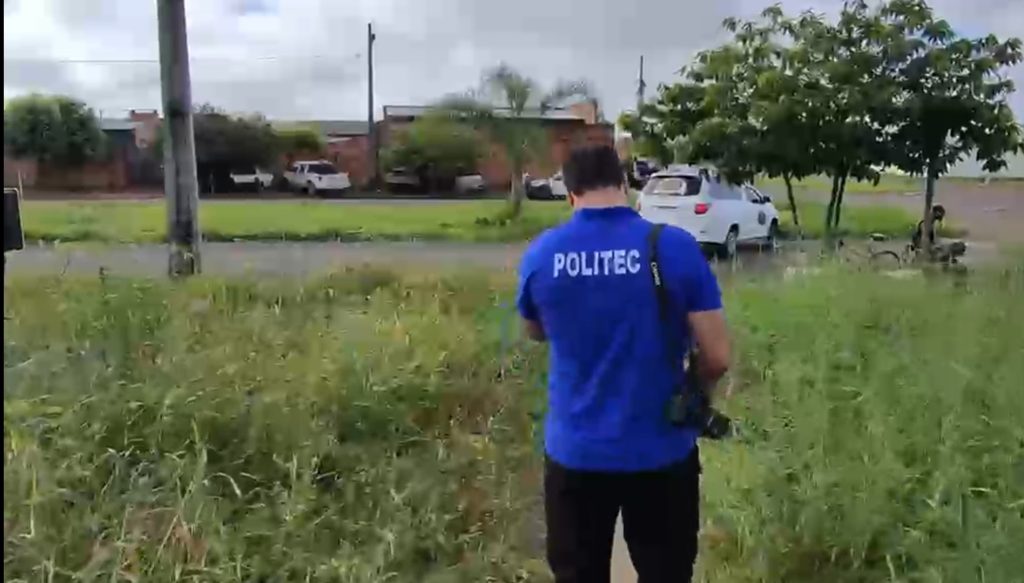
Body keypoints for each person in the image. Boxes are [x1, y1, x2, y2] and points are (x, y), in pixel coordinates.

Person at [516, 144, 731, 583]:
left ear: (570, 194)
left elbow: (535, 331)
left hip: (576, 452)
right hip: (661, 451)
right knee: (666, 573)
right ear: (625, 185)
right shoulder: (674, 248)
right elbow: (718, 357)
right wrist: (695, 391)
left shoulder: (542, 254)